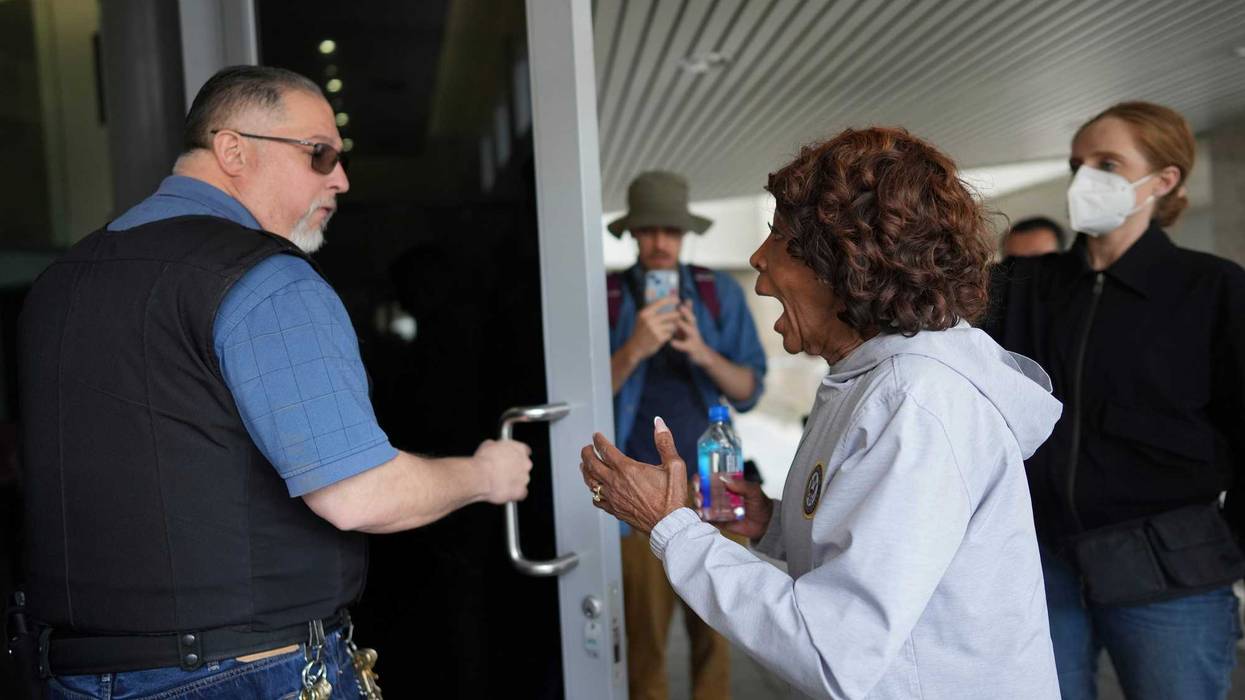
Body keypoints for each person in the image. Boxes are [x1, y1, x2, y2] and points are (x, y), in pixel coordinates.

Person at [15, 65, 534, 699]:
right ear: (232, 149)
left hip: (66, 675)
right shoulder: (265, 280)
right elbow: (360, 494)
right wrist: (486, 475)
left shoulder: (57, 286)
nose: (340, 179)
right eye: (319, 155)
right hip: (247, 672)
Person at [582, 127, 1063, 700]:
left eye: (779, 236)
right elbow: (873, 536)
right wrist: (770, 522)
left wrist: (673, 529)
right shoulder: (874, 381)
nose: (757, 257)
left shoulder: (917, 405)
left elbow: (832, 651)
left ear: (843, 260)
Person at [985, 101, 1245, 700]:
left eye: (1107, 162)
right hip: (1039, 560)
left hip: (1169, 571)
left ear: (1164, 180)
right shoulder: (1026, 286)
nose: (1085, 179)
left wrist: (1227, 544)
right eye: (1078, 163)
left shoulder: (1212, 288)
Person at [606, 170, 767, 700]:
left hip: (716, 476)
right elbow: (582, 395)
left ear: (683, 235)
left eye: (669, 232)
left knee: (718, 629)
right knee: (644, 636)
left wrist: (700, 350)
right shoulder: (607, 296)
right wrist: (635, 348)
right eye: (649, 230)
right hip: (636, 482)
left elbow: (748, 389)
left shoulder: (715, 292)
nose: (659, 243)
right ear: (631, 233)